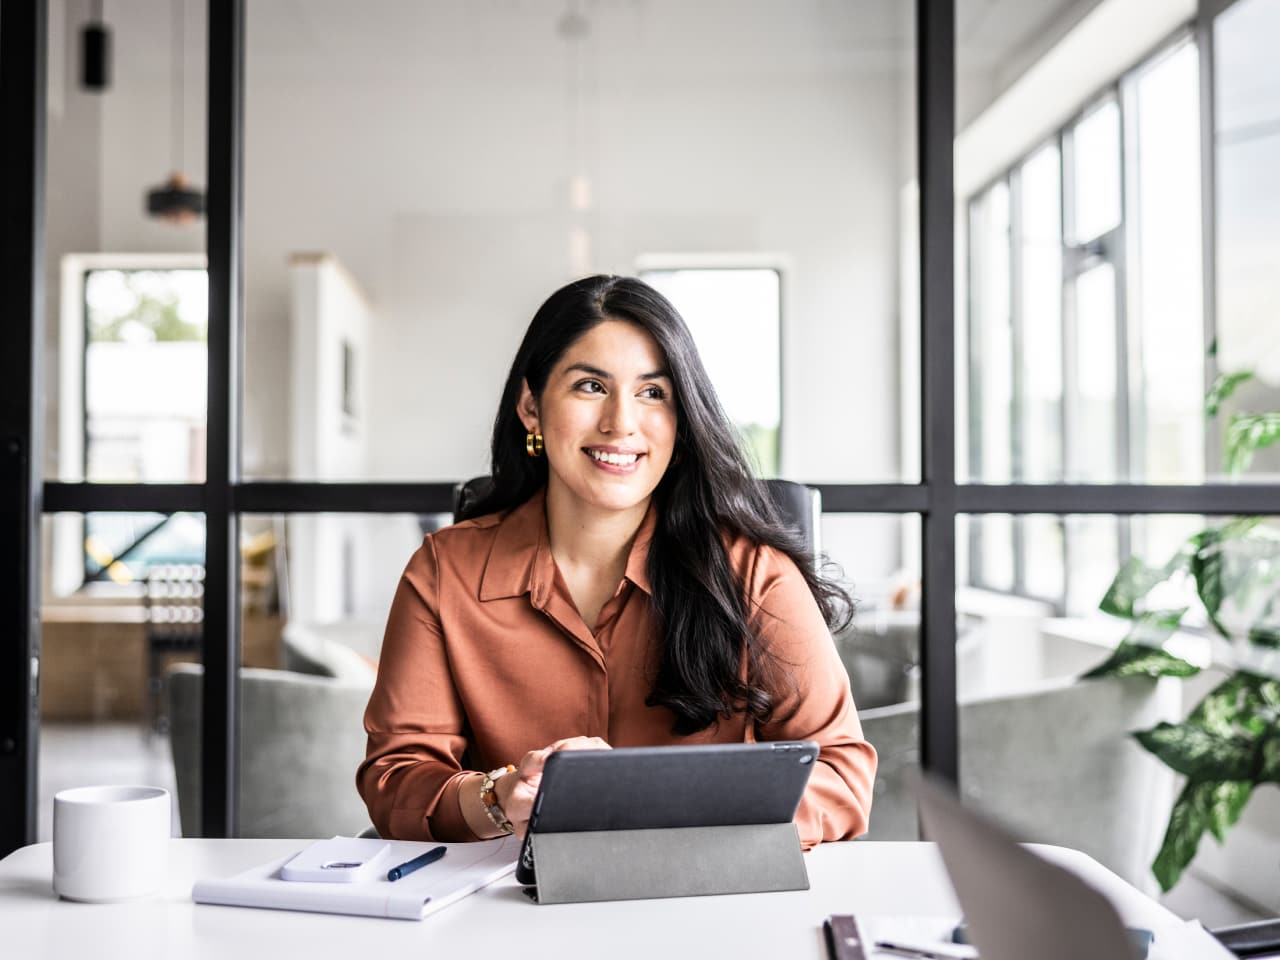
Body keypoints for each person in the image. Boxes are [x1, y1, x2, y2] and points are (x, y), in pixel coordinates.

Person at [357, 275, 876, 847]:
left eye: (653, 393)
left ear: (681, 422)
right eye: (589, 387)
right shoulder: (443, 571)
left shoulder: (754, 575)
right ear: (531, 406)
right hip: (507, 909)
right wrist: (499, 798)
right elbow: (396, 778)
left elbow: (840, 776)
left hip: (705, 901)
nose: (621, 423)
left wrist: (654, 801)